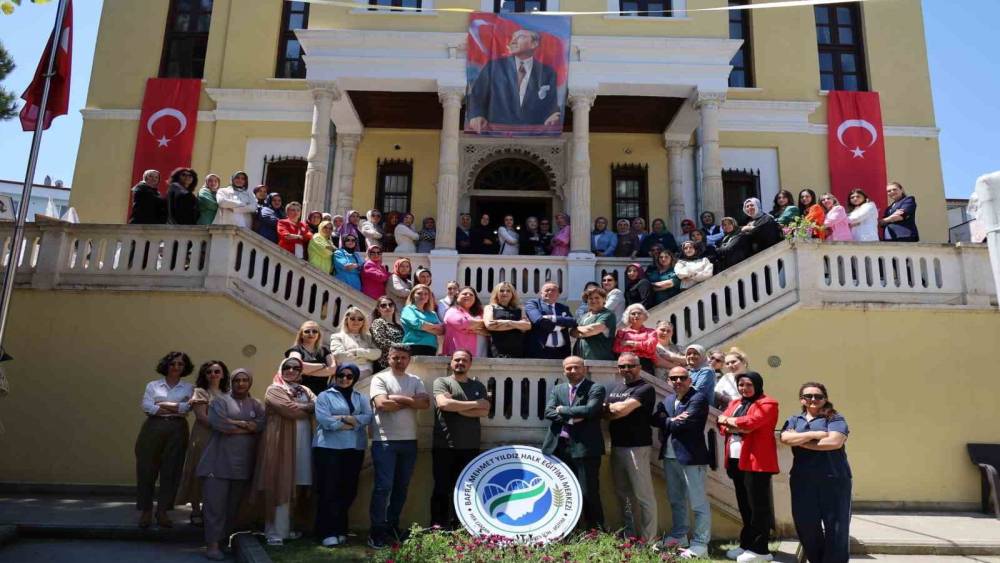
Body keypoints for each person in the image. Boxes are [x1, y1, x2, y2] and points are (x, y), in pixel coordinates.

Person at [780, 382, 852, 563]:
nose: (813, 399)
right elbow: (785, 438)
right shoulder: (794, 419)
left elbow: (834, 442)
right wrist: (814, 435)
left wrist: (799, 440)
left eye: (818, 396)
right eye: (808, 396)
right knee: (806, 524)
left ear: (825, 399)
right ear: (801, 399)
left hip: (834, 479)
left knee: (836, 527)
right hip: (802, 480)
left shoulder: (835, 418)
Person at [197, 368, 264, 560]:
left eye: (245, 380)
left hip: (242, 464)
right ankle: (212, 545)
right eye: (237, 380)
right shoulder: (220, 401)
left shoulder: (256, 404)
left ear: (249, 382)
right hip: (217, 463)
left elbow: (261, 424)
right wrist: (247, 426)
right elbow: (221, 425)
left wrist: (239, 424)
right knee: (214, 506)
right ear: (231, 382)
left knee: (232, 508)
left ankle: (223, 541)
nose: (241, 383)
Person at [368, 344, 431, 548]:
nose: (399, 361)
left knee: (401, 488)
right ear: (388, 358)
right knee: (383, 487)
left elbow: (425, 404)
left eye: (403, 358)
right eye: (395, 357)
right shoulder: (380, 379)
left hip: (409, 440)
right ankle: (376, 532)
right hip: (384, 441)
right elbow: (381, 404)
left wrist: (397, 399)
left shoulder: (415, 380)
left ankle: (391, 527)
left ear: (409, 360)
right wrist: (411, 401)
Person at [717, 372, 780, 563]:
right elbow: (721, 424)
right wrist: (735, 425)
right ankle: (747, 544)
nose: (744, 388)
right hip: (735, 460)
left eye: (749, 384)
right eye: (741, 384)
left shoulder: (768, 403)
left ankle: (761, 549)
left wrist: (731, 422)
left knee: (758, 507)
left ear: (758, 385)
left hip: (756, 461)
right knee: (745, 506)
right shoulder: (735, 403)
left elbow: (752, 423)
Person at [254, 357, 316, 546]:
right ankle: (274, 532)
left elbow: (317, 405)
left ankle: (287, 529)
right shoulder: (274, 389)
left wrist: (303, 407)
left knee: (296, 484)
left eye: (296, 368)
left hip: (302, 443)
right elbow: (289, 411)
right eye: (287, 367)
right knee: (279, 483)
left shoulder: (305, 390)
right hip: (281, 442)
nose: (291, 370)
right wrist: (307, 409)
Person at [652, 366, 712, 558]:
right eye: (674, 378)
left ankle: (701, 543)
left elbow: (682, 424)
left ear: (690, 380)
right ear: (668, 381)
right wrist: (672, 420)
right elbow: (655, 418)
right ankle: (679, 536)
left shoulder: (698, 399)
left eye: (682, 377)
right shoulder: (669, 400)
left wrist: (669, 421)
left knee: (698, 502)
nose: (678, 381)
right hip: (670, 457)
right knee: (676, 500)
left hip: (691, 457)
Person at [542, 356, 607, 531]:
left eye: (576, 367)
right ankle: (568, 530)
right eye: (569, 368)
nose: (573, 371)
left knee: (588, 492)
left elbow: (590, 410)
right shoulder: (558, 389)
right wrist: (571, 419)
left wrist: (563, 410)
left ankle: (595, 532)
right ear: (564, 371)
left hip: (585, 448)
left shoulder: (595, 388)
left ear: (584, 369)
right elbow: (548, 412)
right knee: (563, 491)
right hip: (559, 447)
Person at [313, 363, 372, 548]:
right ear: (336, 376)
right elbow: (325, 420)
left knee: (348, 490)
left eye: (349, 376)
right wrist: (352, 422)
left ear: (354, 378)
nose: (344, 379)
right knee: (329, 489)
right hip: (329, 448)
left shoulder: (361, 397)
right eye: (341, 375)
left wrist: (342, 419)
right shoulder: (324, 396)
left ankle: (340, 529)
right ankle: (327, 531)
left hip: (354, 448)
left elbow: (368, 417)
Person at [430, 350, 490, 528]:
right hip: (444, 445)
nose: (460, 363)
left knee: (466, 489)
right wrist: (475, 404)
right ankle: (438, 527)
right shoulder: (442, 382)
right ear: (451, 362)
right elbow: (443, 404)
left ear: (470, 364)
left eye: (464, 360)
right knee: (441, 488)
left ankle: (461, 526)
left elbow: (485, 411)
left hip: (470, 445)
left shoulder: (478, 386)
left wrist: (456, 407)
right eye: (457, 360)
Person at [135, 351, 195, 529]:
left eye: (180, 364)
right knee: (146, 469)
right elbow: (147, 406)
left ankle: (162, 511)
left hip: (177, 429)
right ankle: (146, 510)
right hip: (153, 427)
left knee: (172, 470)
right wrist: (175, 408)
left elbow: (187, 409)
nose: (176, 367)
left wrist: (161, 404)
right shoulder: (153, 385)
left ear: (185, 367)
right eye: (173, 363)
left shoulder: (189, 388)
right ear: (166, 365)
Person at [603, 352, 657, 541]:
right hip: (617, 446)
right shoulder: (616, 388)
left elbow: (622, 410)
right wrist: (613, 410)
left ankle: (649, 540)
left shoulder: (645, 388)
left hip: (637, 447)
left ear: (639, 367)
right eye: (622, 366)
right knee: (623, 494)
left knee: (643, 496)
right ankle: (630, 535)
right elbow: (608, 413)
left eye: (630, 366)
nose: (626, 369)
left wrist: (611, 409)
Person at [466, 28, 560, 134]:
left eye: (520, 37)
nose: (513, 41)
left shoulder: (548, 73)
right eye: (513, 37)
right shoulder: (493, 67)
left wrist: (554, 114)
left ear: (534, 44)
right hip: (496, 133)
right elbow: (477, 95)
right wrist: (476, 115)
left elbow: (552, 103)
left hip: (532, 135)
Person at [176, 361, 230, 528]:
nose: (213, 374)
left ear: (223, 374)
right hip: (204, 436)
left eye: (217, 371)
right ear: (204, 375)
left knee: (217, 474)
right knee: (199, 471)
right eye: (209, 372)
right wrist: (227, 427)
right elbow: (202, 417)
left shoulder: (228, 393)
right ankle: (195, 510)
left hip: (223, 438)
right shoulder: (200, 392)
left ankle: (210, 509)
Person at [524, 282, 577, 359]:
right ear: (541, 293)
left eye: (553, 290)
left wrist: (552, 318)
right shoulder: (533, 304)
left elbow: (572, 321)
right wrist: (558, 327)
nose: (550, 292)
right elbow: (538, 320)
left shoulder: (563, 308)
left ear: (558, 294)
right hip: (540, 351)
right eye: (547, 290)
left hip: (562, 352)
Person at [329, 306, 382, 380]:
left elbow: (378, 353)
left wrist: (356, 352)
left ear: (363, 321)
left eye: (360, 319)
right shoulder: (337, 336)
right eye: (352, 318)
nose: (356, 321)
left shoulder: (369, 338)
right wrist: (364, 358)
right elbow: (339, 356)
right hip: (344, 377)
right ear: (346, 320)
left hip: (365, 379)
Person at [285, 320, 336, 396]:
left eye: (314, 331)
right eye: (307, 331)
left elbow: (333, 369)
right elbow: (296, 366)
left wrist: (306, 371)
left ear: (318, 335)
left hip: (320, 395)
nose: (311, 333)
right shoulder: (296, 350)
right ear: (301, 334)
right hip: (299, 394)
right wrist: (322, 366)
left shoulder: (325, 350)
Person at [483, 281, 531, 358]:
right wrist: (518, 325)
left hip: (517, 350)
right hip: (497, 349)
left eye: (508, 291)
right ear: (496, 293)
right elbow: (490, 325)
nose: (505, 293)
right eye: (501, 291)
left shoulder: (520, 309)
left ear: (512, 294)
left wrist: (507, 322)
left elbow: (527, 326)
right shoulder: (490, 307)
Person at [571, 286, 616, 361]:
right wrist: (585, 332)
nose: (593, 300)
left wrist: (579, 330)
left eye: (597, 298)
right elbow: (572, 332)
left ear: (604, 299)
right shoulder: (584, 316)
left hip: (600, 360)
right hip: (581, 360)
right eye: (590, 298)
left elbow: (592, 330)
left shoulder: (608, 314)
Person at [613, 303, 658, 373]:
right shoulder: (621, 332)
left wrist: (629, 343)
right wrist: (642, 347)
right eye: (633, 314)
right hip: (626, 364)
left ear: (644, 316)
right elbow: (616, 348)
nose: (636, 315)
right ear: (628, 317)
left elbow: (650, 347)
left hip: (645, 365)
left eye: (639, 313)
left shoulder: (651, 332)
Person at [401, 284, 445, 356]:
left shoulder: (432, 313)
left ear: (429, 297)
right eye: (419, 293)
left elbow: (441, 331)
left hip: (431, 347)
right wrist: (435, 326)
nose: (423, 296)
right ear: (413, 296)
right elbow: (416, 323)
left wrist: (423, 326)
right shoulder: (408, 309)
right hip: (413, 346)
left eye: (426, 294)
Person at [442, 286, 487, 357]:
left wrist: (484, 329)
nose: (468, 295)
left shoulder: (480, 312)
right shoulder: (452, 311)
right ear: (457, 296)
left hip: (482, 355)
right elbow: (464, 323)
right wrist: (486, 324)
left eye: (471, 295)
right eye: (465, 294)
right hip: (459, 357)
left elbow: (491, 329)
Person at [370, 297, 404, 373]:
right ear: (378, 309)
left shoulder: (399, 327)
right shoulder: (378, 322)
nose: (387, 307)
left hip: (399, 362)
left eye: (390, 305)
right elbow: (380, 341)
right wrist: (400, 346)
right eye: (383, 305)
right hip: (384, 365)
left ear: (394, 307)